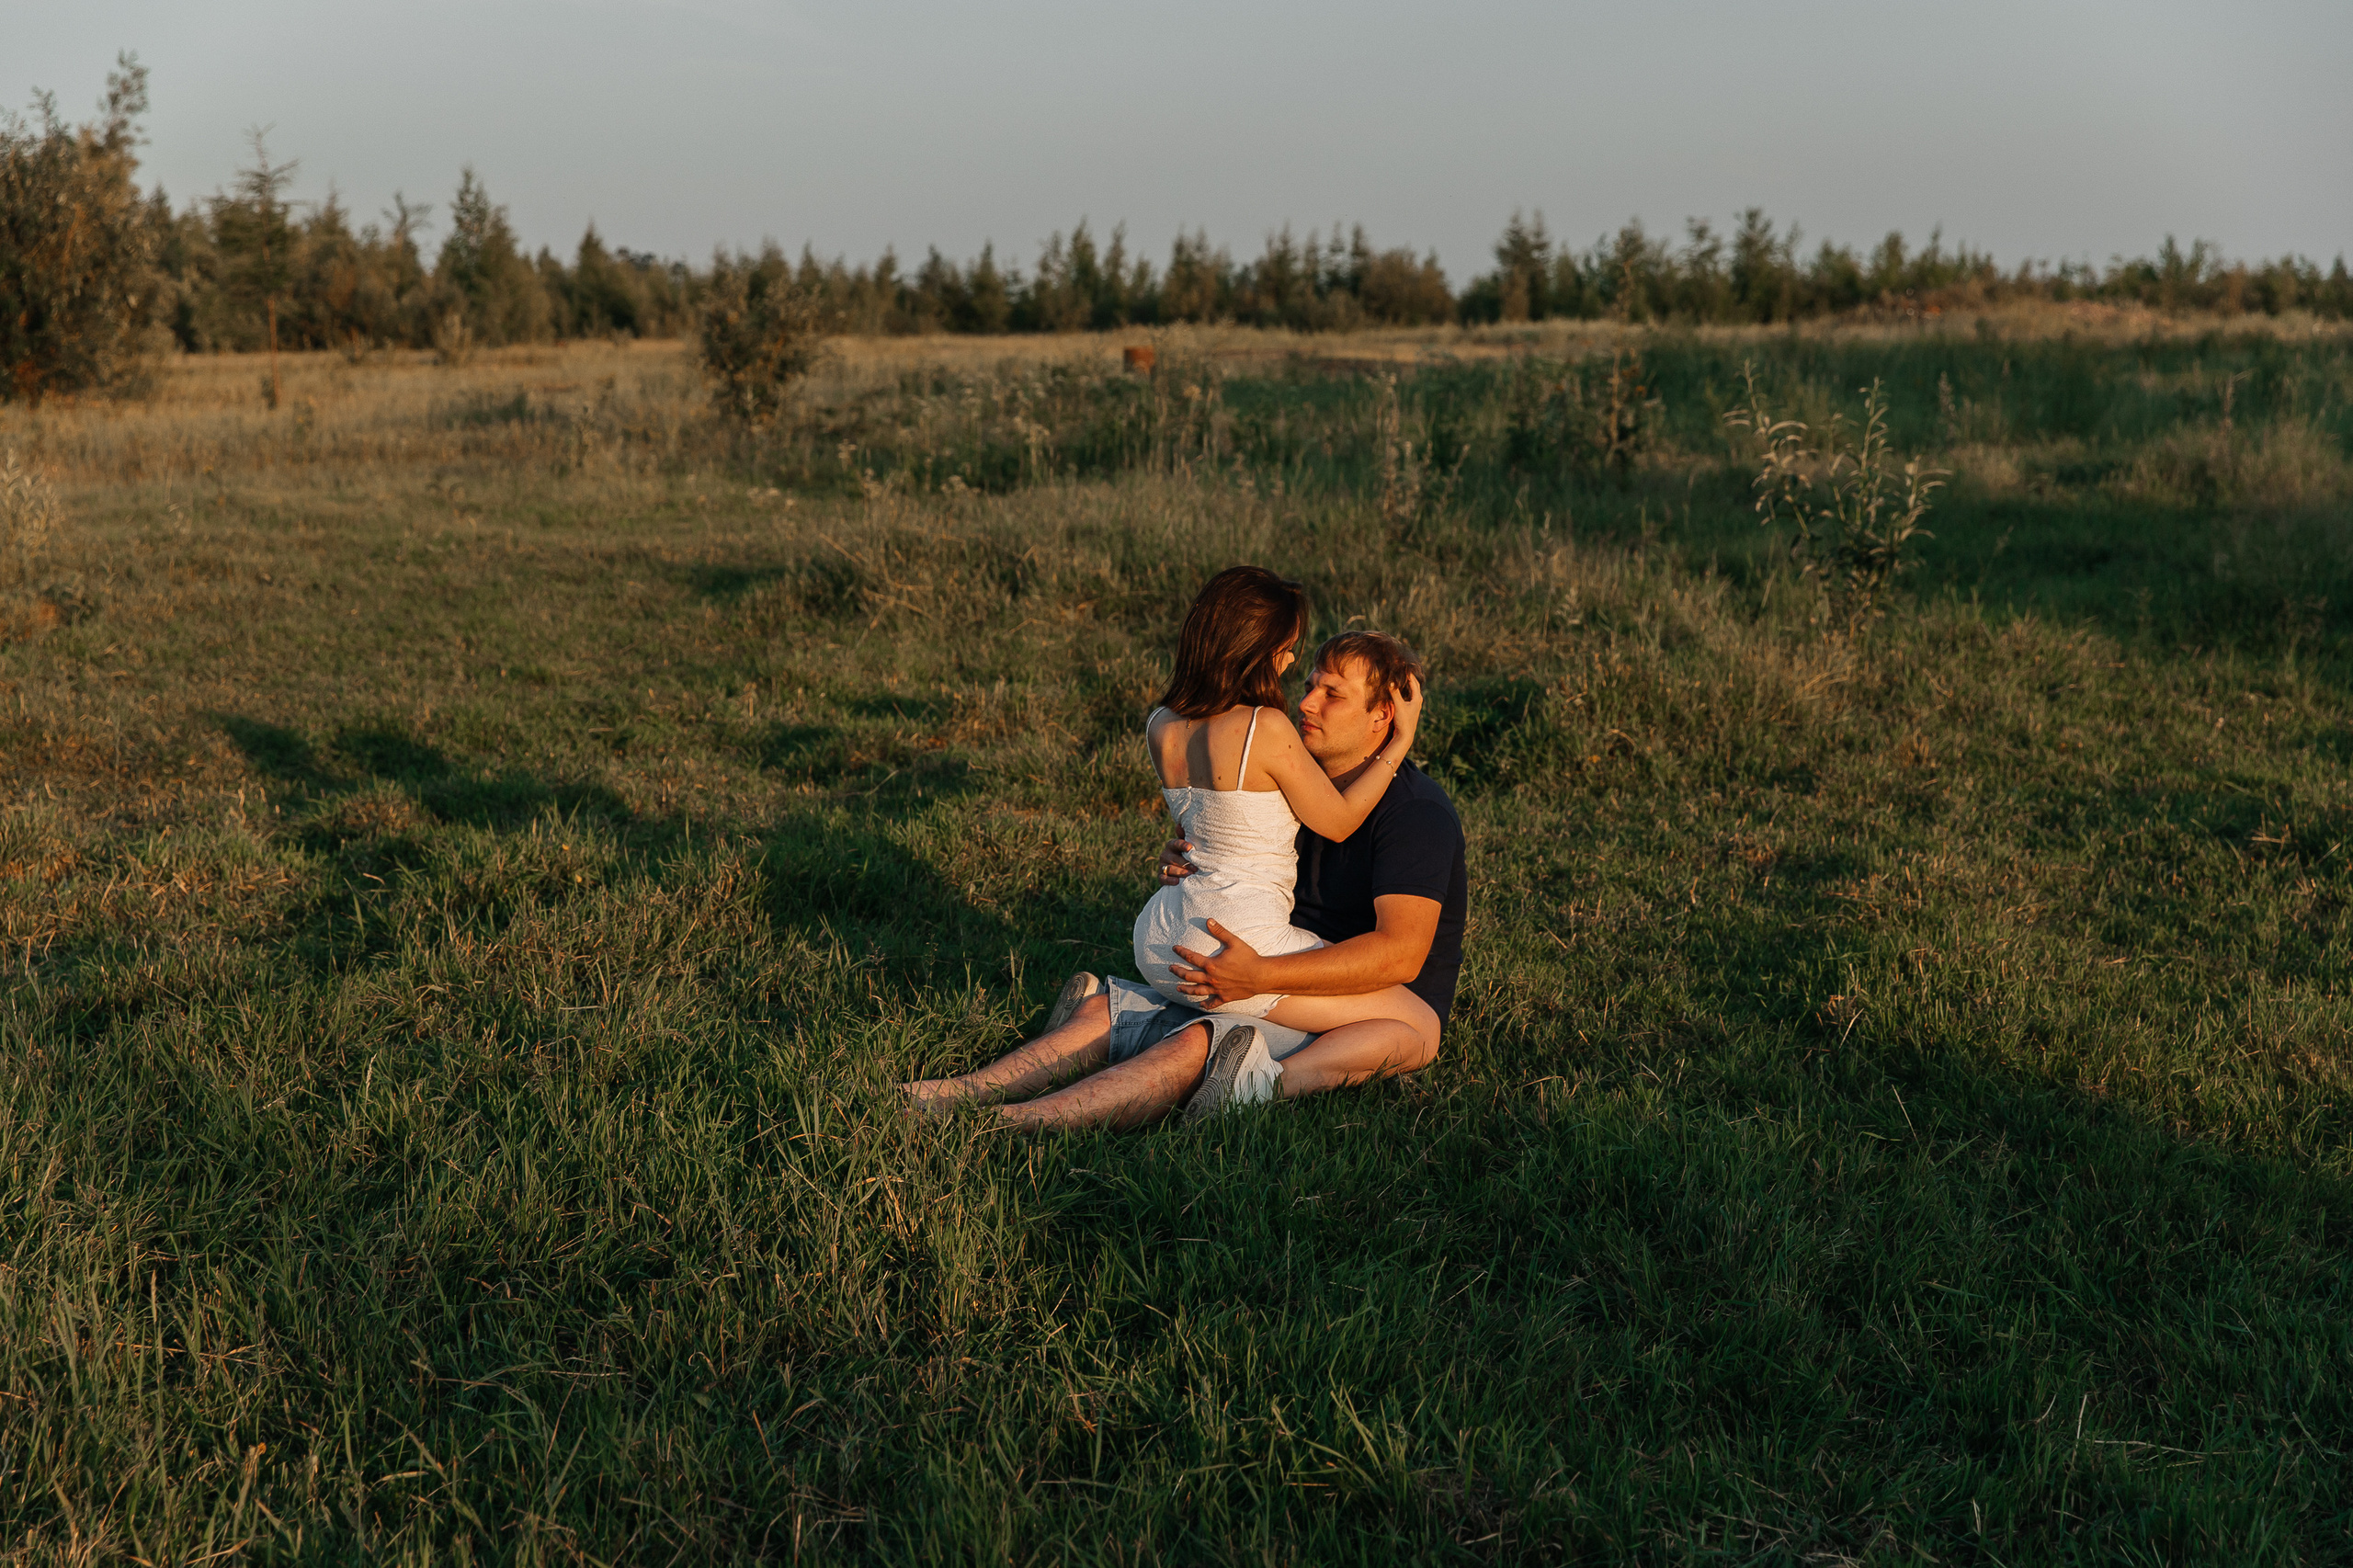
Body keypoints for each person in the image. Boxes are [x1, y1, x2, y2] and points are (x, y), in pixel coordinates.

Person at [902, 578, 1467, 1129]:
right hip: (1250, 956)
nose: (1306, 700)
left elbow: (1398, 957)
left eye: (1332, 694)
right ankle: (974, 1102)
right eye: (1308, 681)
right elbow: (1244, 829)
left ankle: (1029, 1096)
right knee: (1385, 1032)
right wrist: (1190, 853)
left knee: (1204, 1039)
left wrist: (1259, 973)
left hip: (1293, 974)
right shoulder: (1283, 763)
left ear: (1383, 714)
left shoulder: (1415, 814)